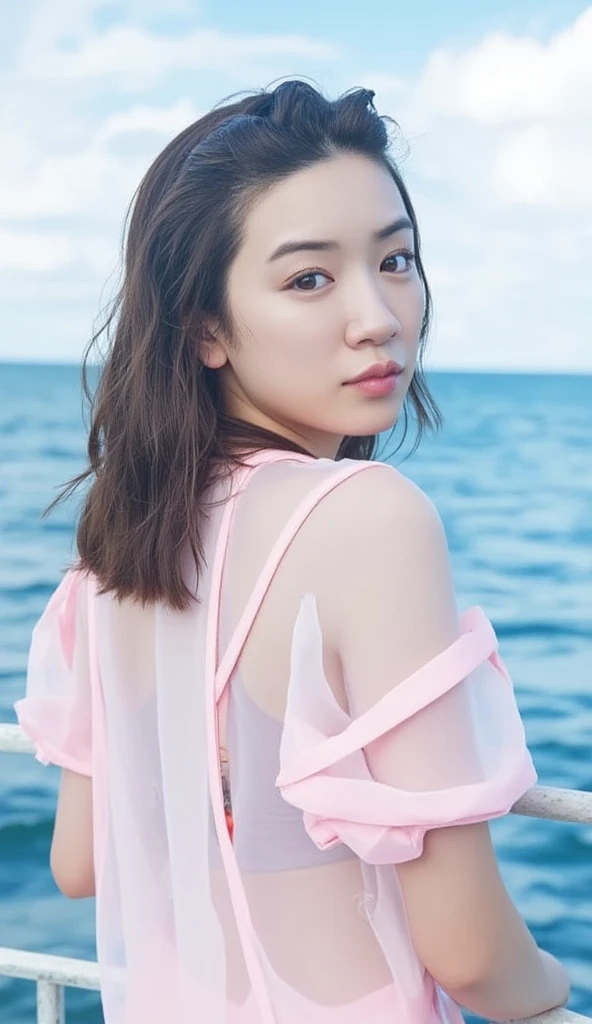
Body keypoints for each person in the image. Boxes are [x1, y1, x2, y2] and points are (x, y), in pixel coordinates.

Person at [14, 80, 570, 1024]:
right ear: (206, 329)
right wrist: (556, 990)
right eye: (309, 277)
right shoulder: (368, 516)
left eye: (395, 259)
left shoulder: (118, 544)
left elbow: (80, 862)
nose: (379, 315)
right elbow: (470, 952)